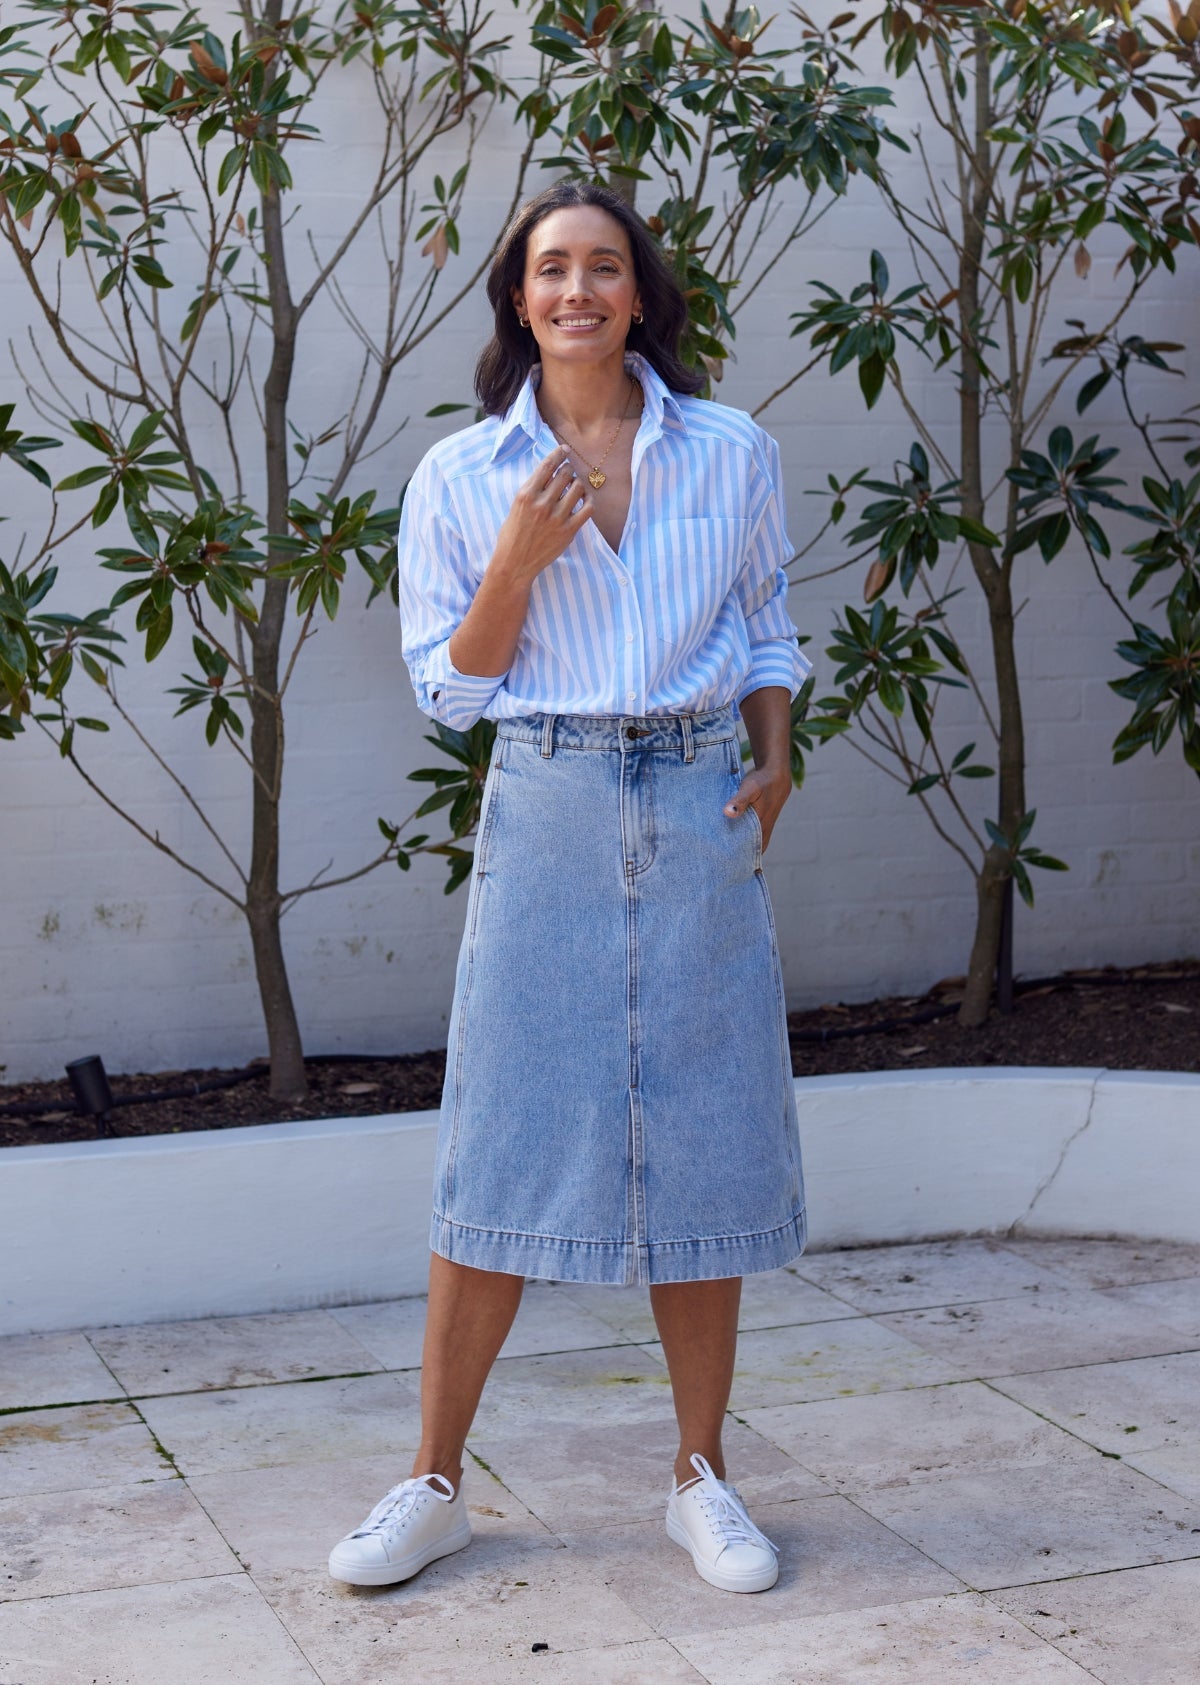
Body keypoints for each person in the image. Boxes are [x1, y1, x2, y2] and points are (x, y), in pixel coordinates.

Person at [328, 180, 810, 1597]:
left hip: (698, 796)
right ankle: (433, 1484)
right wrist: (517, 566)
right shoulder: (461, 475)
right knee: (507, 1131)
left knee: (704, 1131)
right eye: (551, 270)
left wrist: (775, 751)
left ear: (640, 294)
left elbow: (765, 619)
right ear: (519, 300)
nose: (578, 290)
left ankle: (701, 1478)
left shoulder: (729, 449)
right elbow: (449, 689)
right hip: (546, 797)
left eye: (604, 266)